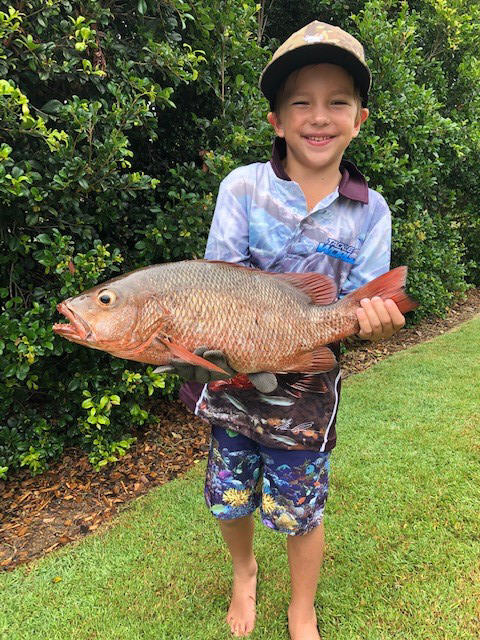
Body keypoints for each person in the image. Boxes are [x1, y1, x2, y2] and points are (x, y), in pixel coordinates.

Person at [166, 21, 406, 640]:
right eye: (301, 101)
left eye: (337, 102)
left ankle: (303, 608)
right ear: (276, 119)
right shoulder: (242, 187)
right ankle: (244, 571)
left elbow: (361, 314)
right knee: (228, 494)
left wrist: (376, 321)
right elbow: (218, 282)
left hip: (308, 387)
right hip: (231, 383)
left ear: (360, 119)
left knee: (301, 508)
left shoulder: (370, 211)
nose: (318, 116)